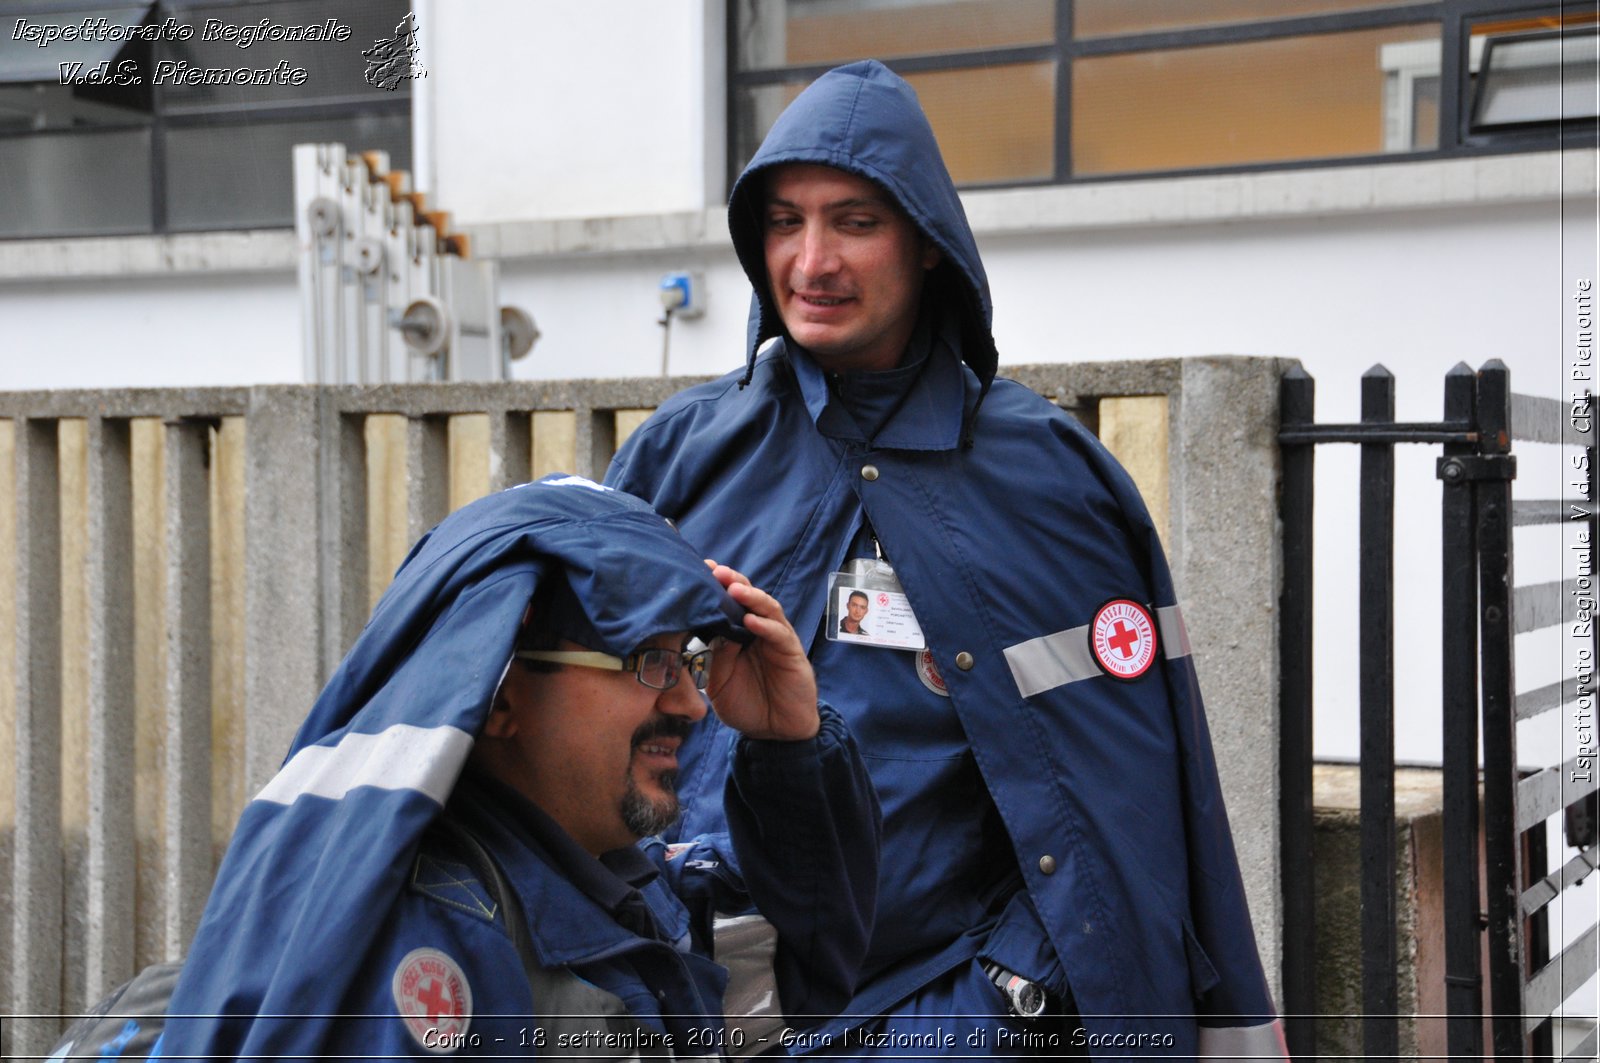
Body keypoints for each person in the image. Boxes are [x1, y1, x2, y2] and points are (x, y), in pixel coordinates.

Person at [607, 60, 1286, 1058]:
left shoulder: (1049, 476)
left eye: (855, 221)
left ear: (926, 243)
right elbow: (583, 711)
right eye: (785, 222)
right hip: (698, 995)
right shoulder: (680, 456)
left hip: (938, 1006)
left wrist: (1010, 985)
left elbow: (1126, 789)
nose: (812, 261)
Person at [136, 475, 879, 1060]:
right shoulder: (427, 946)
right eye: (652, 660)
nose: (692, 702)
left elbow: (787, 985)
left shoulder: (619, 893)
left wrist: (791, 749)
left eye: (690, 658)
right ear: (494, 696)